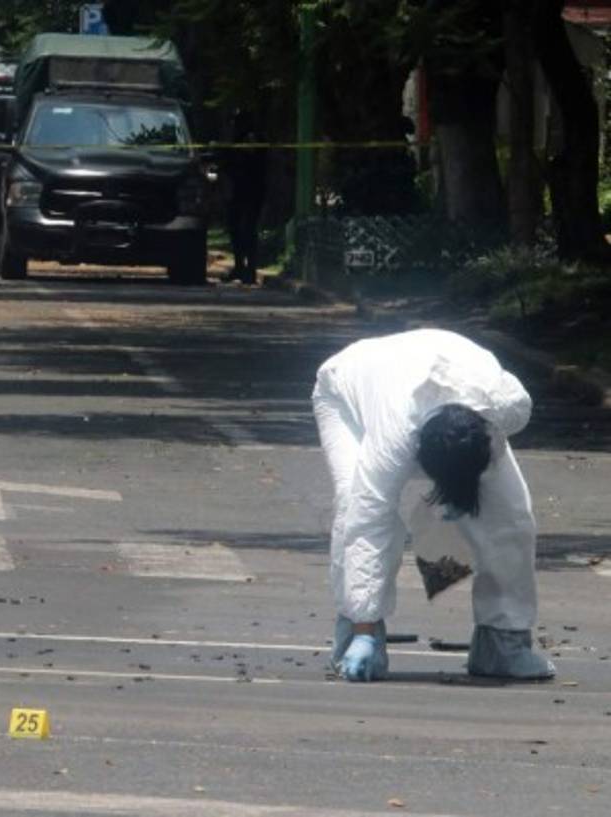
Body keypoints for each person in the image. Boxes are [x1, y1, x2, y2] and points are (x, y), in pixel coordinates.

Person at [313, 328, 554, 682]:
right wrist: (364, 627)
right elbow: (368, 523)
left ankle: (504, 644)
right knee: (354, 504)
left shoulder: (503, 405)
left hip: (446, 374)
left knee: (511, 516)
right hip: (345, 389)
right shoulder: (394, 436)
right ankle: (358, 635)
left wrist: (463, 492)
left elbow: (501, 507)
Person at [221, 110, 267, 285]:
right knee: (235, 229)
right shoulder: (237, 140)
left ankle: (250, 269)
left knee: (247, 230)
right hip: (237, 191)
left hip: (251, 191)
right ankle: (240, 266)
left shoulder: (252, 139)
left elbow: (254, 163)